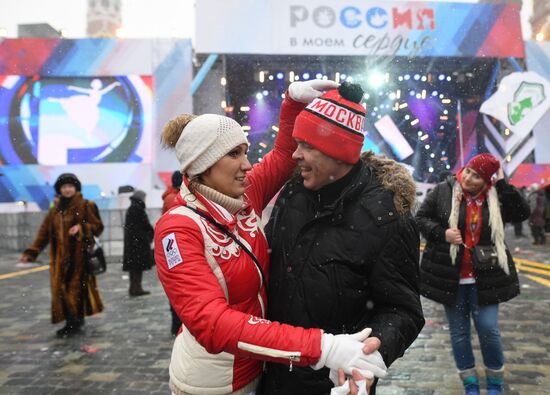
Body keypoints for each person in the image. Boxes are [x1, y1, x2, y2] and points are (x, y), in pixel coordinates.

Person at [154, 80, 388, 395]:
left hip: (258, 368)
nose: (247, 165)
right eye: (234, 154)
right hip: (211, 384)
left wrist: (291, 101)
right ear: (202, 164)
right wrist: (323, 348)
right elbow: (212, 323)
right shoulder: (177, 229)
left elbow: (281, 155)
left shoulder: (245, 196)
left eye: (246, 152)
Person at [260, 82, 425, 395]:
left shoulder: (386, 218)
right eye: (296, 143)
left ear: (338, 152)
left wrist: (375, 350)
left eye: (306, 146)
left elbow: (402, 310)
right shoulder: (295, 191)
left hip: (332, 382)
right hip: (273, 373)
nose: (295, 155)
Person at [415, 153, 530, 395]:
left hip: (486, 277)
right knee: (459, 333)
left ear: (487, 181)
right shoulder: (443, 191)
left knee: (488, 328)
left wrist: (501, 184)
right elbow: (421, 219)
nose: (467, 177)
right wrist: (442, 233)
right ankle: (470, 384)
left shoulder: (496, 196)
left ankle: (495, 382)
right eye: (467, 170)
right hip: (451, 277)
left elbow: (522, 212)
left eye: (476, 176)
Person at [20, 173, 104, 337]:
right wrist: (31, 252)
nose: (67, 189)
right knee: (61, 291)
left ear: (76, 188)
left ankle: (75, 322)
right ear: (59, 189)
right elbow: (44, 234)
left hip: (78, 258)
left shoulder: (86, 205)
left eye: (70, 186)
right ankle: (70, 321)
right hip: (59, 260)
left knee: (75, 290)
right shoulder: (55, 210)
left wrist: (82, 228)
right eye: (64, 187)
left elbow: (98, 227)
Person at [161, 170, 184, 334]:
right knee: (179, 289)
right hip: (176, 247)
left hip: (173, 246)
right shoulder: (175, 198)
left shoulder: (170, 196)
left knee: (176, 289)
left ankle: (176, 325)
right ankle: (177, 325)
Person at [122, 190, 155, 296]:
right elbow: (143, 225)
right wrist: (148, 236)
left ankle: (135, 288)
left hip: (133, 244)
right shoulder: (137, 208)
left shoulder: (133, 208)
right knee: (137, 267)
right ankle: (136, 288)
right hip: (138, 244)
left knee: (135, 268)